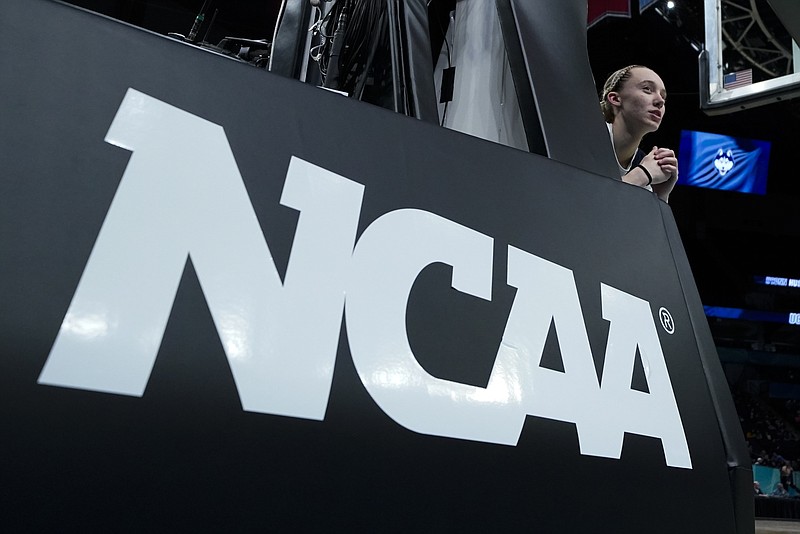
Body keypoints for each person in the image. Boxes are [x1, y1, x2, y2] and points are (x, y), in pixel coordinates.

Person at [599, 65, 679, 203]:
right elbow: (582, 203)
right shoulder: (584, 137)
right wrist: (642, 174)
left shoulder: (643, 162)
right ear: (615, 99)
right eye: (647, 89)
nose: (660, 101)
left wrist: (660, 197)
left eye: (663, 97)